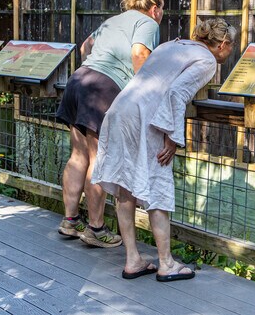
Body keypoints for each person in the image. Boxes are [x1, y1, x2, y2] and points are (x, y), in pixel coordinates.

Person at [91, 18, 236, 280]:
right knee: (157, 185)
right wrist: (173, 137)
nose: (230, 51)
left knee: (125, 184)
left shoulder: (172, 44)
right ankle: (166, 263)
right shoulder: (207, 60)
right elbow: (177, 93)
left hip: (119, 110)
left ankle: (133, 259)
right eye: (231, 46)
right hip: (145, 118)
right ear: (223, 44)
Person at [55, 0, 165, 248]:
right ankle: (96, 228)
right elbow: (139, 54)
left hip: (79, 80)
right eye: (162, 9)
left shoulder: (113, 21)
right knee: (98, 159)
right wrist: (145, 92)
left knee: (78, 154)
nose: (162, 14)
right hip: (103, 88)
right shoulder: (148, 23)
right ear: (154, 8)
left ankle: (70, 220)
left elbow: (85, 48)